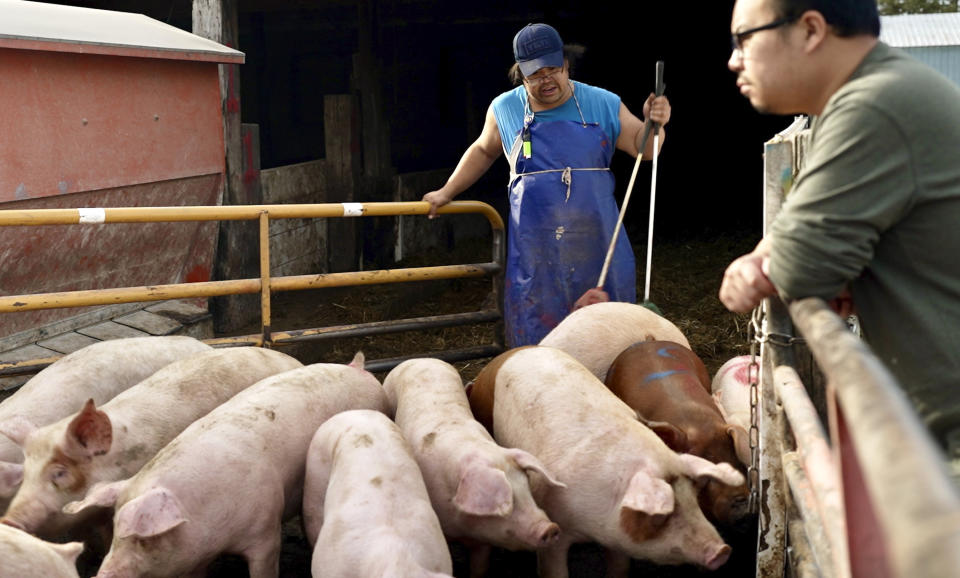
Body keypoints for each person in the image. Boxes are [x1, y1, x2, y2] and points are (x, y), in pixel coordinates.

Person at [720, 0, 960, 471]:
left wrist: (762, 261)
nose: (733, 59)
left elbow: (801, 265)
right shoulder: (880, 93)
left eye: (743, 38)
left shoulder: (875, 105)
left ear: (810, 29)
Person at [422, 23, 672, 347]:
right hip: (536, 258)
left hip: (598, 248)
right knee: (540, 346)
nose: (547, 81)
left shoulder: (602, 103)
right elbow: (483, 150)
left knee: (611, 340)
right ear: (521, 75)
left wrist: (657, 123)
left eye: (554, 69)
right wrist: (446, 191)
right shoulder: (506, 109)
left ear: (567, 64)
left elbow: (646, 148)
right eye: (535, 75)